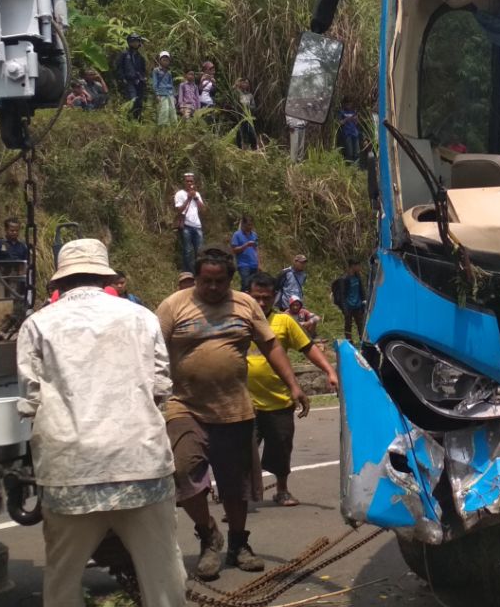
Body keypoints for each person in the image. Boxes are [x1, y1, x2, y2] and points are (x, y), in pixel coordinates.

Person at [16, 238, 188, 607]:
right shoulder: (140, 317)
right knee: (164, 579)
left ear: (61, 280)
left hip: (70, 470)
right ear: (107, 276)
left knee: (62, 581)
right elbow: (162, 387)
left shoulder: (38, 324)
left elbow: (30, 400)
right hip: (140, 464)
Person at [156, 246, 307, 580]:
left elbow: (270, 345)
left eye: (219, 281)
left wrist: (293, 384)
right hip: (185, 405)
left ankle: (238, 544)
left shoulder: (245, 304)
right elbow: (151, 350)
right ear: (195, 278)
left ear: (230, 280)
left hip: (234, 408)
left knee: (235, 485)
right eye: (205, 281)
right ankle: (209, 534)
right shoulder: (173, 306)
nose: (212, 288)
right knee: (182, 471)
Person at [247, 272, 334, 506]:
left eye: (266, 297)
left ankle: (282, 490)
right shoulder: (239, 322)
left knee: (281, 448)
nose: (262, 302)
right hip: (245, 403)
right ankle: (242, 494)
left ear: (275, 296)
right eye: (257, 297)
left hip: (279, 400)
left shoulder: (284, 322)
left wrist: (329, 370)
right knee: (243, 451)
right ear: (247, 296)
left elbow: (308, 348)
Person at [174, 172, 206, 273]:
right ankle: (187, 272)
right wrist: (188, 198)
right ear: (184, 182)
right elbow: (179, 210)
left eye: (191, 181)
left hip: (197, 225)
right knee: (187, 251)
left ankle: (199, 272)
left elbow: (203, 209)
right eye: (187, 181)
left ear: (194, 182)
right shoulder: (179, 194)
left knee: (200, 251)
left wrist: (195, 197)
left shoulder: (197, 194)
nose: (189, 183)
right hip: (186, 226)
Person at [331, 259, 366, 342]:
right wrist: (344, 308)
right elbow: (342, 295)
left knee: (360, 324)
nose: (359, 267)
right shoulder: (344, 279)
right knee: (348, 324)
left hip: (358, 305)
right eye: (357, 265)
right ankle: (349, 341)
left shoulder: (358, 277)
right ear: (352, 266)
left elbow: (361, 290)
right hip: (348, 306)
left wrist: (364, 301)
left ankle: (362, 340)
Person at [116, 33, 147, 120]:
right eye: (133, 41)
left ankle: (138, 119)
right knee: (132, 99)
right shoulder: (124, 54)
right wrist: (122, 78)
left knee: (139, 101)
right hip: (129, 80)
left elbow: (143, 68)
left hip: (139, 80)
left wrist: (143, 77)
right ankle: (129, 118)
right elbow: (120, 67)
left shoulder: (140, 55)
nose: (135, 43)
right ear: (129, 42)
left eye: (137, 41)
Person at [230, 215, 260, 292]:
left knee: (254, 285)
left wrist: (259, 263)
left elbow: (256, 249)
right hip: (243, 264)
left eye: (251, 225)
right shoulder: (237, 235)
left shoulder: (254, 235)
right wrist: (246, 245)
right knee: (245, 285)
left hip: (254, 264)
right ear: (243, 224)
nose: (250, 227)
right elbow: (234, 250)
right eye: (248, 225)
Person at [152, 51, 176, 126]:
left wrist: (174, 95)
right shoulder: (156, 71)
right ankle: (163, 126)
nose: (165, 62)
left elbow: (171, 84)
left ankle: (173, 125)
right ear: (160, 60)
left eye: (167, 60)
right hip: (161, 93)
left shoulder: (169, 72)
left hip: (169, 93)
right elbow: (155, 83)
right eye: (164, 60)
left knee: (172, 110)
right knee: (164, 110)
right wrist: (157, 94)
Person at [235, 77, 258, 149]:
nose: (245, 84)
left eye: (247, 83)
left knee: (252, 135)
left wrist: (247, 107)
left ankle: (254, 149)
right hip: (239, 117)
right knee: (239, 134)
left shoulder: (250, 95)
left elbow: (254, 107)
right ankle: (239, 149)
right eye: (244, 82)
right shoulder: (237, 93)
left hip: (247, 118)